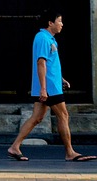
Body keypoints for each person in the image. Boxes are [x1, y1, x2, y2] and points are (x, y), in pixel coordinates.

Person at [7, 10, 94, 161]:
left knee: (37, 118)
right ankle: (70, 152)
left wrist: (61, 78)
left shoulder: (50, 39)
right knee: (63, 115)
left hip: (51, 84)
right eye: (59, 21)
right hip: (50, 87)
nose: (62, 24)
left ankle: (15, 147)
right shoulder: (43, 38)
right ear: (50, 23)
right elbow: (41, 63)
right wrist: (43, 88)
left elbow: (50, 63)